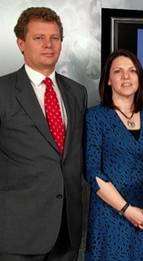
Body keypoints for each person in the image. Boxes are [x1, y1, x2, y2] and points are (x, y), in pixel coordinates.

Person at [0, 7, 87, 261]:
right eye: (39, 38)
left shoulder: (77, 92)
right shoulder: (3, 91)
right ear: (21, 43)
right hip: (17, 234)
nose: (48, 45)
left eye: (55, 38)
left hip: (67, 232)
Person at [84, 49, 143, 261]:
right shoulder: (95, 117)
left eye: (132, 71)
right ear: (108, 80)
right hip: (110, 218)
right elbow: (93, 172)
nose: (126, 76)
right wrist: (126, 210)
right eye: (118, 71)